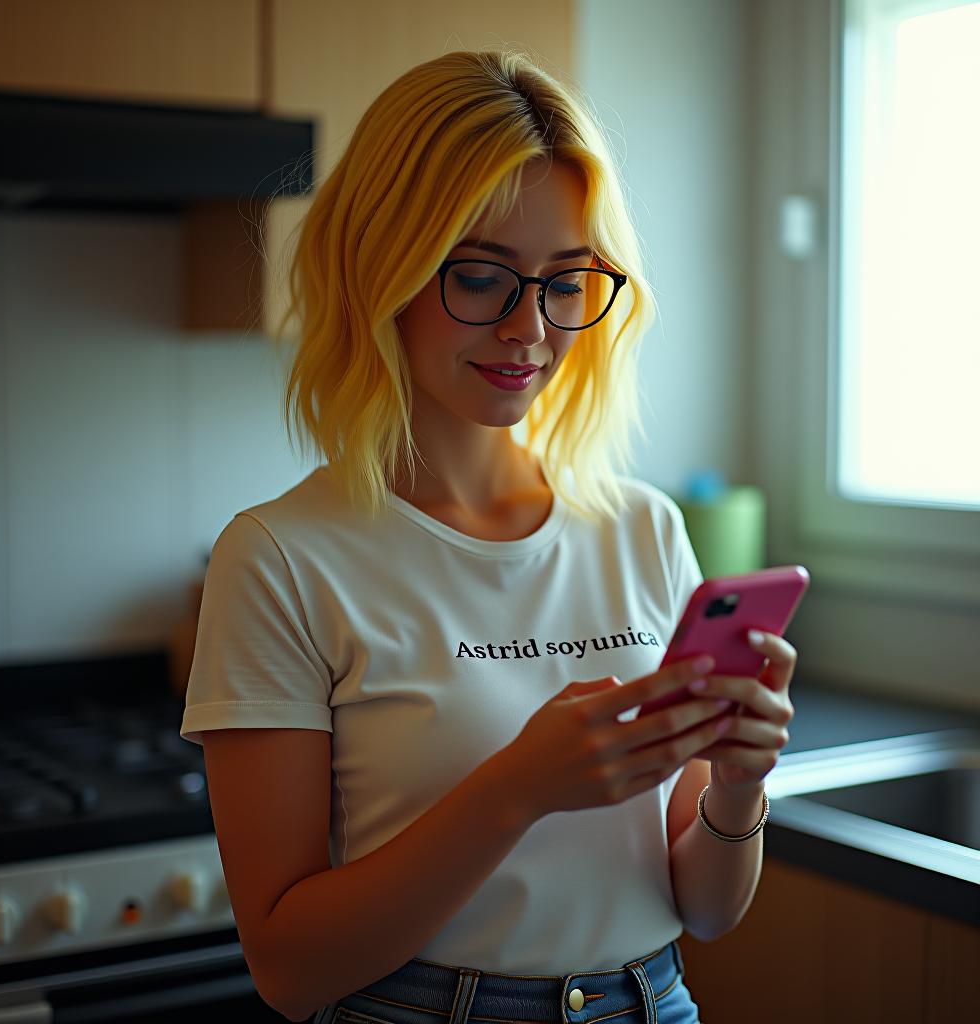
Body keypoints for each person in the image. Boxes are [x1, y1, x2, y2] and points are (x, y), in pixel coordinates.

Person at [179, 48, 797, 1024]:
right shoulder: (281, 558)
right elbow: (288, 969)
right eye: (479, 276)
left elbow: (706, 911)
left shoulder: (642, 528)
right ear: (381, 267)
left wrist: (737, 785)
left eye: (564, 281)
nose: (531, 330)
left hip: (652, 1002)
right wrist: (514, 789)